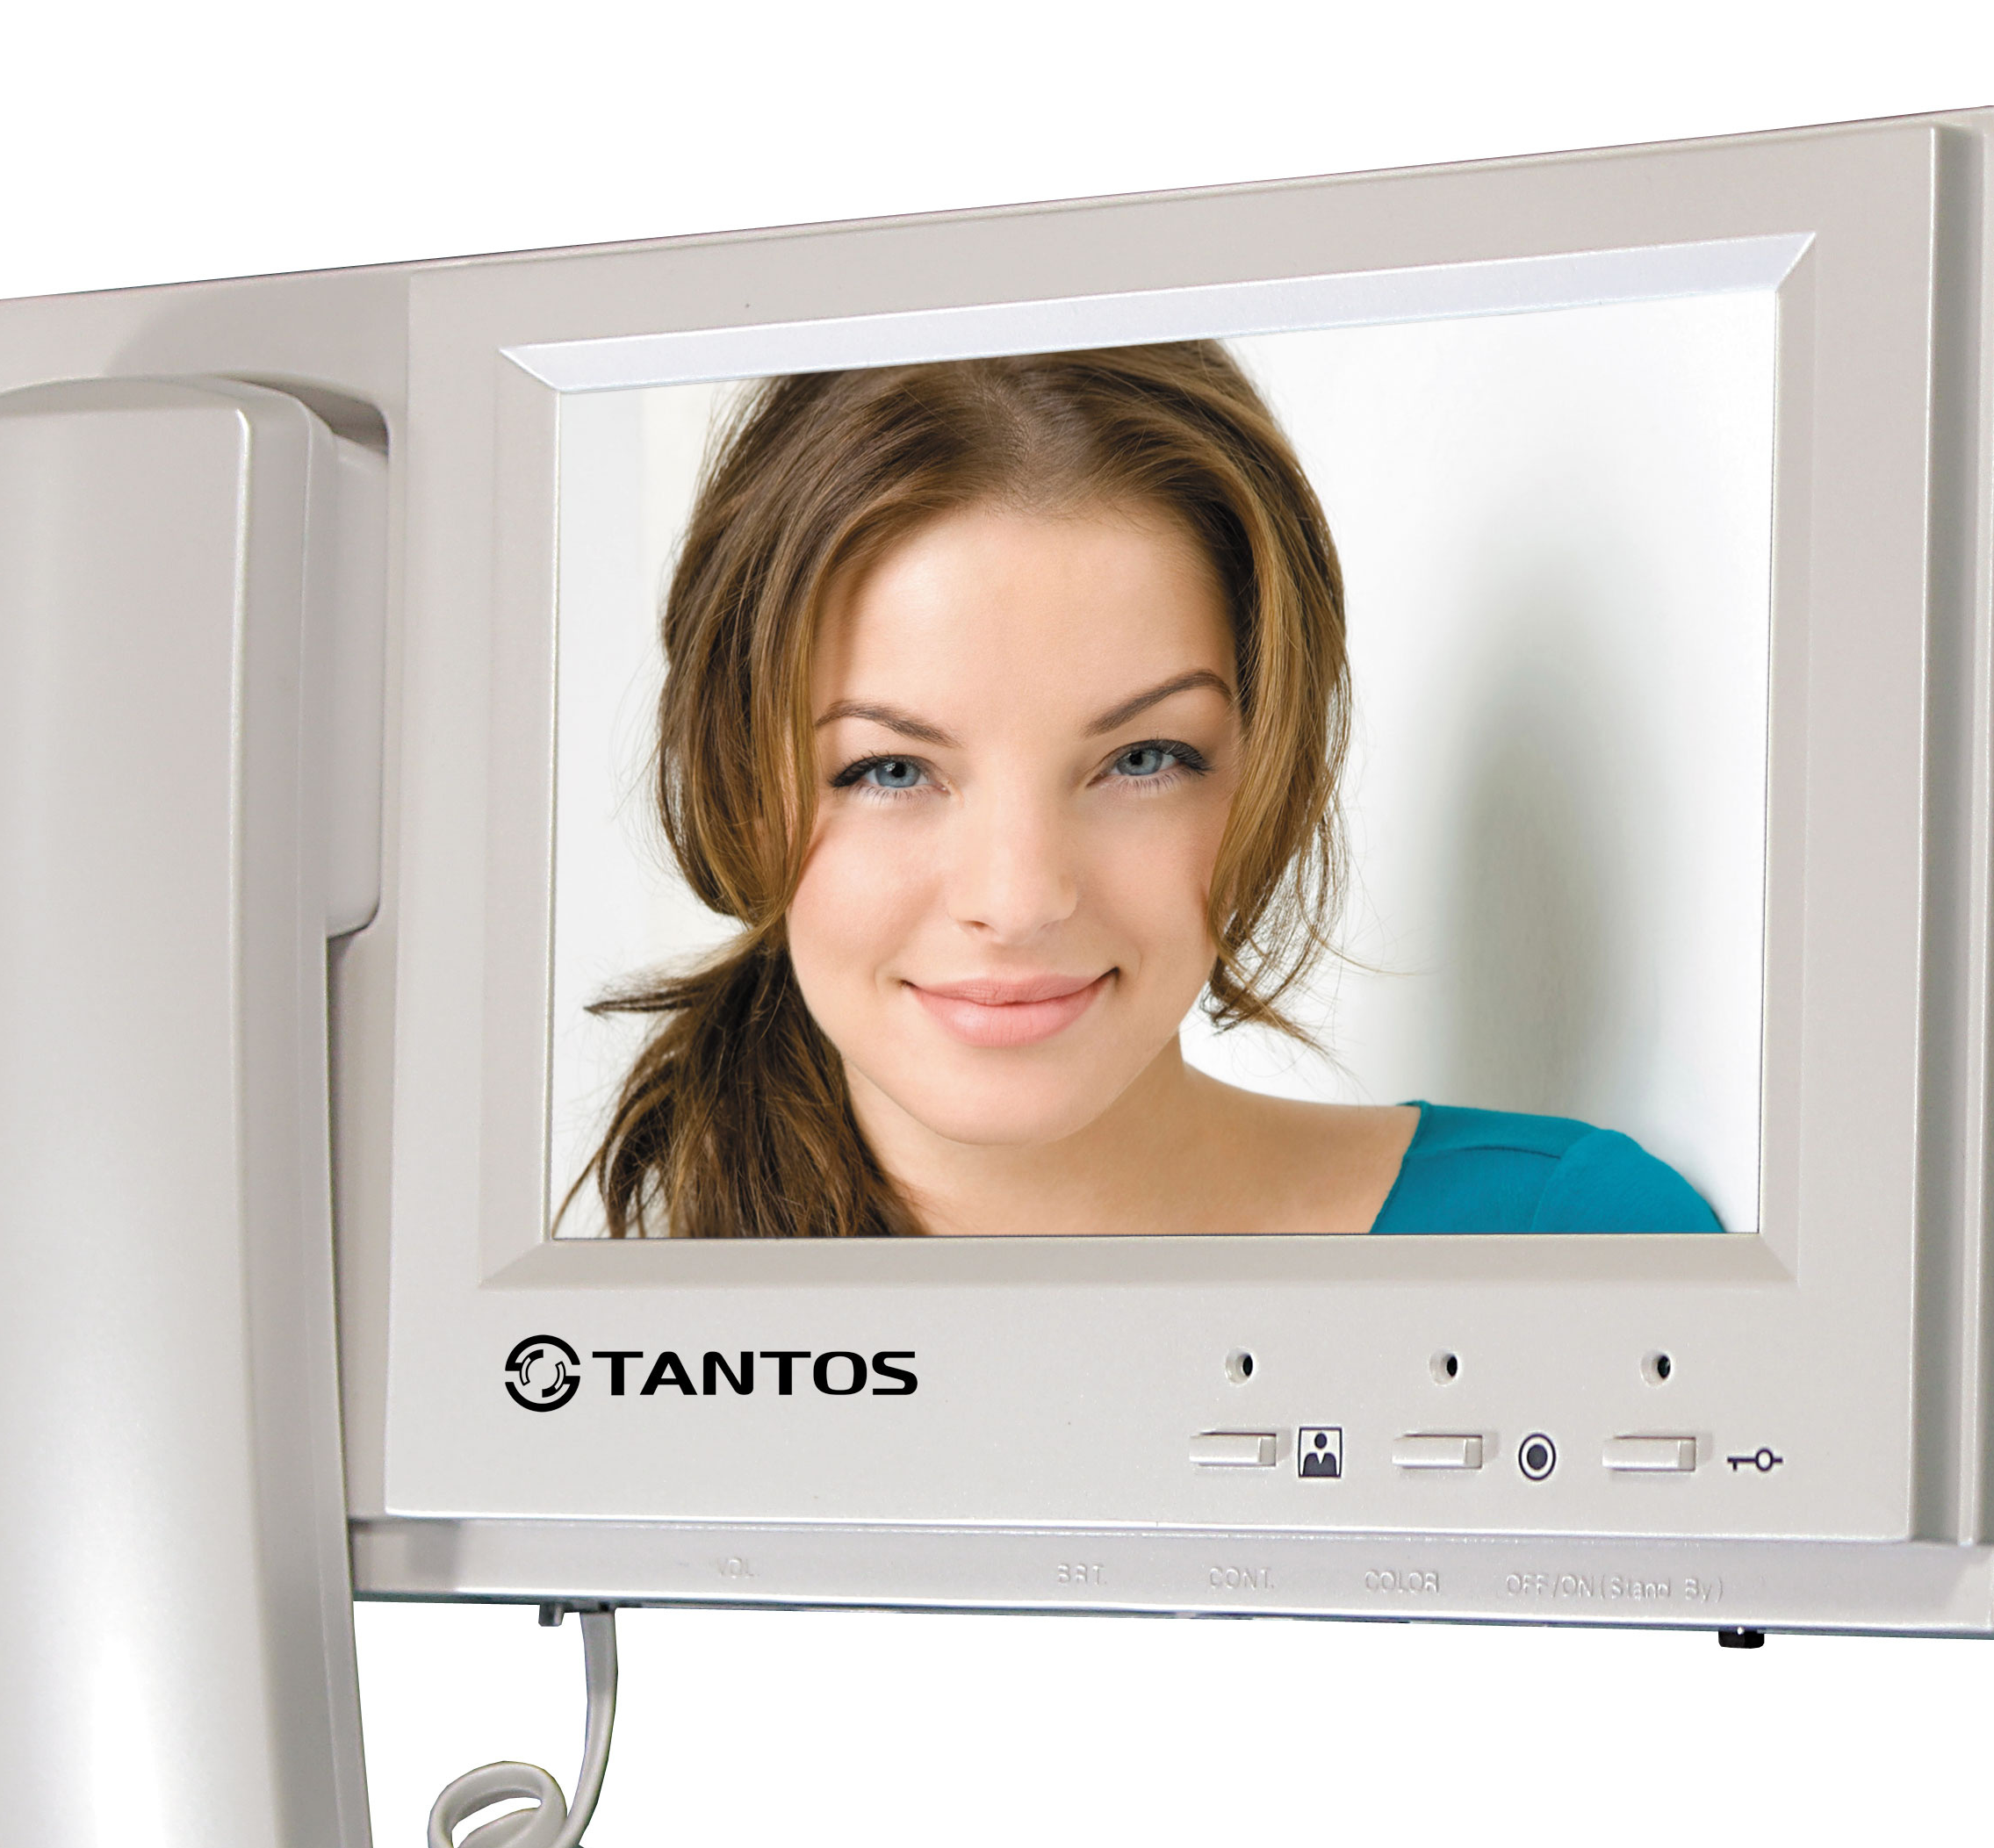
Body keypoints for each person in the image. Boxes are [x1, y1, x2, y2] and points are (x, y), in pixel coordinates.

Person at [575, 342, 1717, 1240]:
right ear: (737, 783)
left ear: (1268, 769)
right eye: (891, 769)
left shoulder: (1564, 1244)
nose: (1019, 899)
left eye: (1141, 760)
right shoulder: (569, 1354)